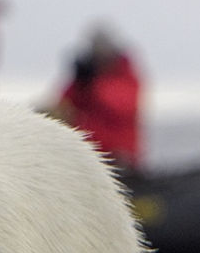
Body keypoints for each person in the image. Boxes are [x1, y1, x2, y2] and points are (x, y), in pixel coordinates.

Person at [49, 24, 144, 172]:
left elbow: (122, 106)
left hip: (121, 155)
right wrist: (80, 82)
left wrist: (94, 82)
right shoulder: (87, 79)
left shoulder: (125, 75)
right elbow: (64, 106)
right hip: (88, 153)